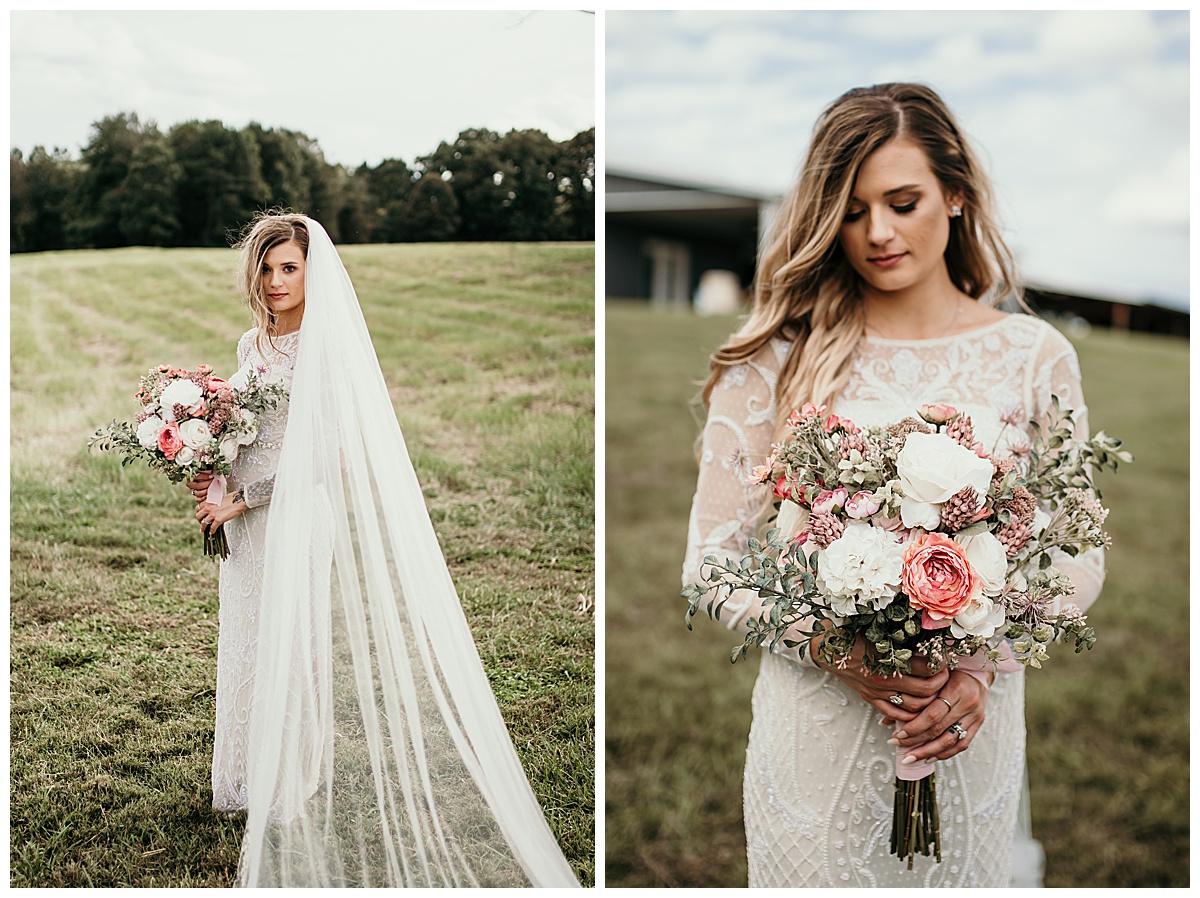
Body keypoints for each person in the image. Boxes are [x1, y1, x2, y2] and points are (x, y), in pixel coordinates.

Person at [683, 83, 1105, 887]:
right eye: (849, 210)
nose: (876, 232)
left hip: (965, 724)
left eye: (902, 202)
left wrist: (980, 665)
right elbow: (710, 564)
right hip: (817, 728)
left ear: (954, 194)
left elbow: (1076, 552)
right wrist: (835, 647)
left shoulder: (1034, 355)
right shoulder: (776, 354)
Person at [188, 211, 580, 887]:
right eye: (268, 266)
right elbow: (240, 431)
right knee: (246, 638)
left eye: (291, 267)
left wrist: (246, 498)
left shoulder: (322, 346)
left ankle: (286, 780)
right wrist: (211, 476)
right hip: (243, 518)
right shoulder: (251, 342)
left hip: (293, 513)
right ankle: (243, 777)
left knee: (292, 642)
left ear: (312, 273)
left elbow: (330, 456)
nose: (278, 280)